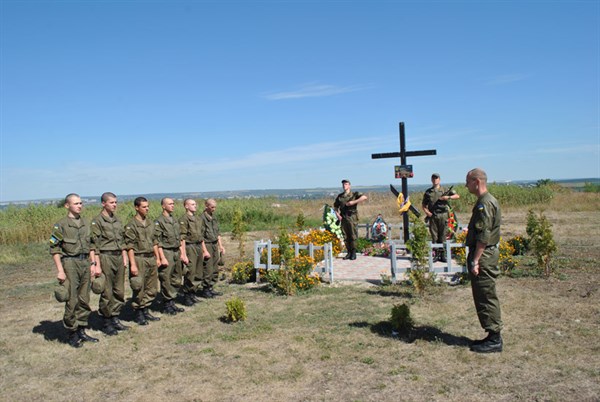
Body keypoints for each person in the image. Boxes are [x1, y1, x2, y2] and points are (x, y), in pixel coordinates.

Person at [49, 193, 100, 348]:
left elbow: (92, 245)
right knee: (72, 299)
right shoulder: (61, 225)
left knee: (84, 298)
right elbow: (54, 249)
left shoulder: (86, 223)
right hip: (70, 263)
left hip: (85, 262)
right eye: (76, 203)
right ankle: (72, 332)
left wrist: (93, 263)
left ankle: (82, 329)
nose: (80, 205)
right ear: (67, 205)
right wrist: (60, 270)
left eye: (81, 203)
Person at [465, 168, 503, 353]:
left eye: (468, 182)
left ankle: (495, 338)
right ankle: (491, 335)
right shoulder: (486, 201)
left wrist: (476, 260)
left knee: (486, 295)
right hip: (485, 253)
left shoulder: (485, 204)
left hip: (484, 255)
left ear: (477, 182)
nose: (466, 186)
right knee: (483, 295)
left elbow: (484, 235)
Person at [91, 192, 130, 336]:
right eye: (111, 202)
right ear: (103, 203)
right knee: (107, 291)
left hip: (118, 256)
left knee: (119, 290)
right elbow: (95, 245)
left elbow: (122, 241)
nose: (115, 205)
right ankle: (106, 321)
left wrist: (124, 256)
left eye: (115, 202)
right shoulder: (97, 221)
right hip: (105, 256)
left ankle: (115, 317)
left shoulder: (117, 220)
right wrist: (96, 264)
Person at [124, 197, 161, 326]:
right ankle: (138, 311)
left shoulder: (150, 223)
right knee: (139, 286)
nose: (147, 209)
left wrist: (158, 257)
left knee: (151, 287)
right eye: (144, 207)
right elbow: (130, 246)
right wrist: (133, 264)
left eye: (148, 206)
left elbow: (155, 241)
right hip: (139, 258)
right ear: (136, 207)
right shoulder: (131, 225)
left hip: (151, 257)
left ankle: (145, 309)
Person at [154, 197, 185, 315]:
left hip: (176, 251)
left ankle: (172, 301)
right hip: (166, 252)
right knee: (166, 278)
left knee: (176, 277)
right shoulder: (159, 222)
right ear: (163, 206)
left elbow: (180, 237)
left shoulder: (174, 220)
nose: (173, 205)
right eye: (170, 204)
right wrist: (161, 257)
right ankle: (166, 304)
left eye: (173, 203)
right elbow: (157, 241)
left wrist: (182, 252)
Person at [422, 173, 460, 262]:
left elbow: (457, 196)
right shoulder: (428, 192)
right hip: (433, 216)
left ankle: (443, 255)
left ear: (439, 179)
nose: (435, 180)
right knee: (434, 236)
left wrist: (448, 197)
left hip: (443, 215)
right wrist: (427, 212)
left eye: (437, 178)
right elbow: (424, 205)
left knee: (443, 235)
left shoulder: (445, 190)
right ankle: (436, 255)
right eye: (433, 178)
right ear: (431, 180)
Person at [178, 199, 206, 306]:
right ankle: (187, 295)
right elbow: (182, 238)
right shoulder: (184, 219)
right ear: (186, 206)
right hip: (190, 247)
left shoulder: (198, 219)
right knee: (190, 271)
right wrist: (183, 253)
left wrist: (204, 250)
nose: (195, 206)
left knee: (198, 271)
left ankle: (193, 293)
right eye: (192, 204)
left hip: (198, 246)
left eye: (195, 204)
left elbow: (201, 236)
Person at [334, 179, 368, 260]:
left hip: (352, 217)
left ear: (349, 185)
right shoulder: (340, 196)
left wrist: (354, 202)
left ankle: (353, 252)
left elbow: (364, 197)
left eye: (346, 184)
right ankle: (348, 252)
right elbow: (335, 207)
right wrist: (338, 215)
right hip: (343, 217)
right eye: (343, 184)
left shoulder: (354, 194)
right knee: (345, 235)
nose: (344, 186)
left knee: (353, 235)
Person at [199, 199, 225, 298]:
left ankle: (211, 287)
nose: (214, 209)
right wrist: (204, 250)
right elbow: (200, 236)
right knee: (208, 268)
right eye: (212, 207)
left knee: (215, 267)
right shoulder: (202, 219)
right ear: (206, 206)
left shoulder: (214, 218)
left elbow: (217, 233)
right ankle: (205, 289)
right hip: (207, 244)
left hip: (214, 244)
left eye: (215, 207)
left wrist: (220, 246)